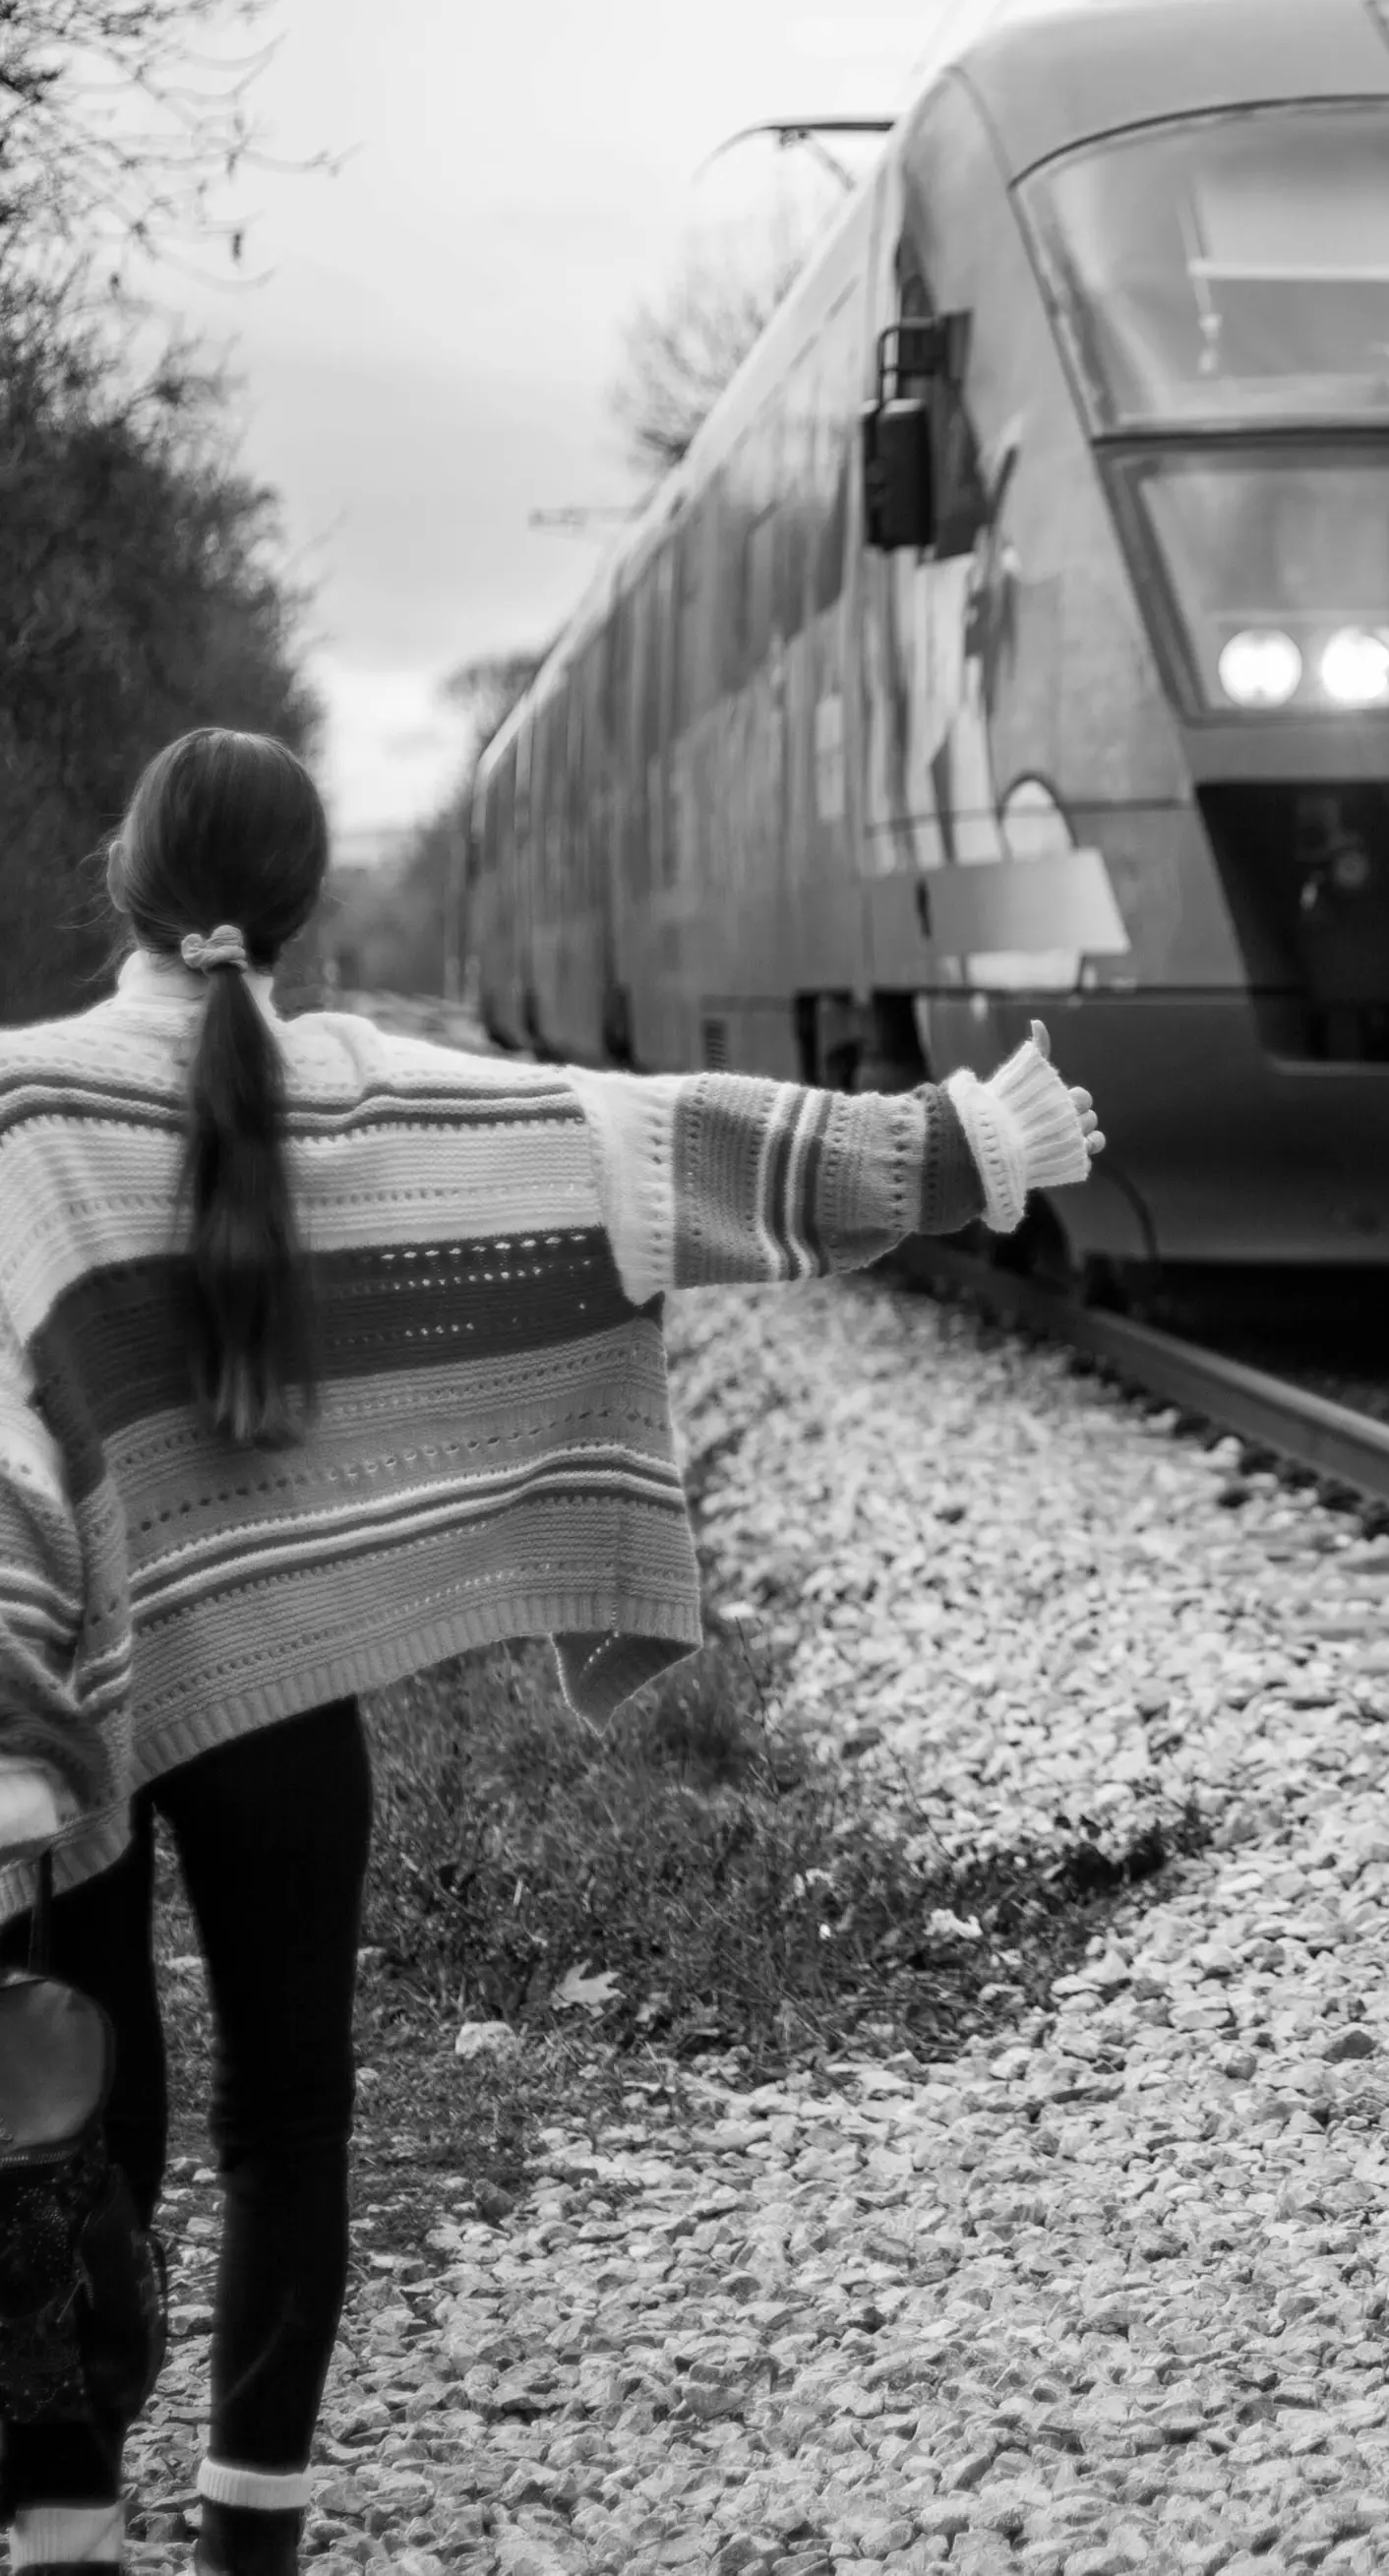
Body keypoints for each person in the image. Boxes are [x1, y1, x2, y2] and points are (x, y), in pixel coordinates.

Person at [0, 727, 1104, 2576]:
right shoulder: (398, 1097)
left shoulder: (22, 1111)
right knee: (292, 2113)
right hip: (285, 1693)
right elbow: (661, 1148)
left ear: (122, 872)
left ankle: (61, 2529)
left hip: (73, 1711)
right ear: (302, 902)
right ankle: (255, 2526)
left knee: (66, 2109)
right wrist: (963, 1146)